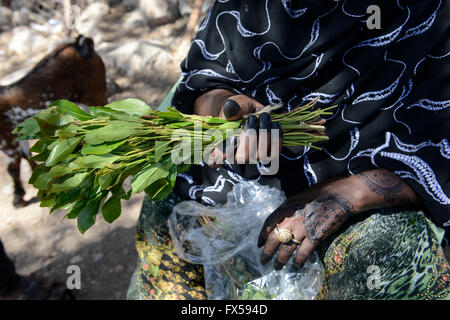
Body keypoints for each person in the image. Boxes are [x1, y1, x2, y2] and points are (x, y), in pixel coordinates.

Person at [127, 0, 450, 300]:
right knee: (167, 217)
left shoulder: (431, 14)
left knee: (391, 254)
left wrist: (353, 193)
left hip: (363, 192)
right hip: (229, 180)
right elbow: (206, 82)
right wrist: (226, 110)